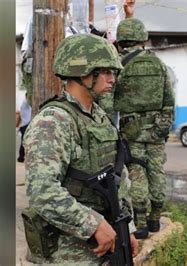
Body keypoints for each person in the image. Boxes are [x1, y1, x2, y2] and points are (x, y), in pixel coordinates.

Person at [23, 33, 138, 264]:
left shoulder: (98, 117)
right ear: (83, 72)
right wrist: (93, 224)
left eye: (113, 72)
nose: (112, 79)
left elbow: (119, 177)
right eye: (105, 71)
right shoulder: (54, 121)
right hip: (69, 251)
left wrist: (128, 226)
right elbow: (42, 191)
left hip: (109, 240)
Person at [114, 18, 175, 239]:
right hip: (157, 129)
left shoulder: (119, 64)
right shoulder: (158, 64)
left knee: (137, 172)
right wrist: (164, 126)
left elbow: (108, 98)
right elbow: (169, 99)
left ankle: (140, 224)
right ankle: (155, 219)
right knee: (157, 172)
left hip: (131, 130)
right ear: (142, 38)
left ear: (121, 40)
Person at [17, 93, 31, 163]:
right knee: (24, 142)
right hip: (25, 125)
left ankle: (21, 157)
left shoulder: (26, 103)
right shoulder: (25, 103)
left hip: (25, 125)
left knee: (24, 141)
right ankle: (21, 157)